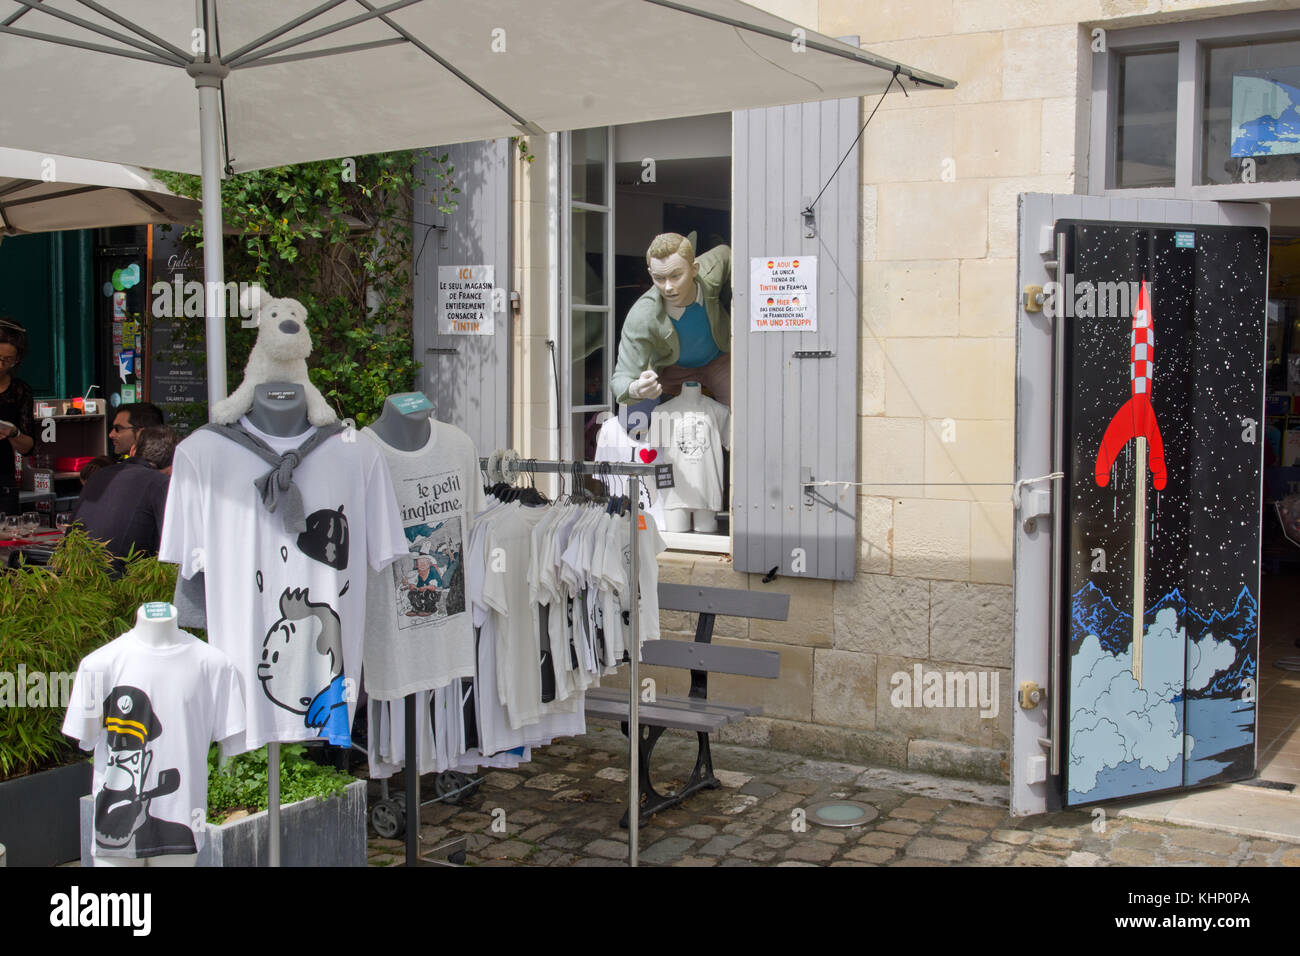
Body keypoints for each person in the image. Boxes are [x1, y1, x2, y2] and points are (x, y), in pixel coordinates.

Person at [610, 233, 732, 408]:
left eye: (676, 276)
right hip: (672, 370)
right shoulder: (642, 315)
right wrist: (636, 388)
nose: (668, 287)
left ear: (694, 269)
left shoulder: (711, 272)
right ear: (650, 273)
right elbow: (621, 377)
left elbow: (726, 253)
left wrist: (731, 304)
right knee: (665, 422)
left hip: (719, 360)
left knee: (742, 414)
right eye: (659, 278)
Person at [71, 425, 178, 567]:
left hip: (74, 572)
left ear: (133, 451)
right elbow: (171, 546)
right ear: (174, 466)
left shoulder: (100, 475)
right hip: (124, 582)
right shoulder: (160, 484)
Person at [0, 318, 36, 517]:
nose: (1, 365)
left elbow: (28, 447)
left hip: (3, 481)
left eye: (8, 360)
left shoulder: (20, 391)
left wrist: (13, 432)